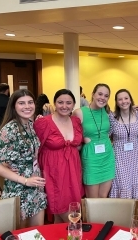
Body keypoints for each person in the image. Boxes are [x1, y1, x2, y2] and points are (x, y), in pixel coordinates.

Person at [0, 89, 47, 228]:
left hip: (35, 185)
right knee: (20, 234)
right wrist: (25, 180)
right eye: (21, 103)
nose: (27, 106)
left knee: (36, 233)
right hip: (19, 187)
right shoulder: (9, 129)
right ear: (14, 106)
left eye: (30, 102)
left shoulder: (29, 124)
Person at [34, 89, 84, 223]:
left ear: (73, 104)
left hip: (73, 171)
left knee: (63, 214)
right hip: (54, 172)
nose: (64, 106)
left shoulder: (76, 121)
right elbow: (34, 149)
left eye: (69, 103)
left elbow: (78, 145)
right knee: (69, 216)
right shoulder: (43, 122)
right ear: (54, 103)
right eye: (60, 102)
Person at [73, 83, 115, 198]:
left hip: (107, 158)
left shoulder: (107, 112)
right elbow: (71, 134)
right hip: (91, 158)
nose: (102, 98)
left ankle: (102, 217)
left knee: (103, 197)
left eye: (106, 96)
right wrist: (82, 139)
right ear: (93, 94)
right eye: (100, 94)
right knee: (92, 201)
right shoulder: (79, 112)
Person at [109, 89, 138, 199]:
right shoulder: (112, 118)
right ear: (116, 102)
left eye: (126, 98)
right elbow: (106, 136)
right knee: (122, 185)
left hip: (135, 159)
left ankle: (134, 215)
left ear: (131, 100)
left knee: (135, 185)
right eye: (120, 99)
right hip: (119, 159)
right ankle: (121, 215)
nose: (124, 101)